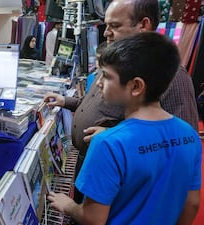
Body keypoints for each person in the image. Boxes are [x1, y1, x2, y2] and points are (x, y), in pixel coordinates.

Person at [44, 0, 199, 203]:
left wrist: (117, 137)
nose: (106, 33)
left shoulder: (172, 76)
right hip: (95, 168)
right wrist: (66, 101)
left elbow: (180, 143)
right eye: (106, 25)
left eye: (115, 26)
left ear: (143, 25)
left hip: (120, 186)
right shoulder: (117, 60)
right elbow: (95, 101)